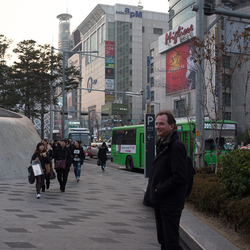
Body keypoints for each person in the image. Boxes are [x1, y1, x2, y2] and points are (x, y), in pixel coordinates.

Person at [143, 110, 188, 250]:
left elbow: (180, 177)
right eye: (156, 124)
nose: (157, 127)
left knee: (171, 243)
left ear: (171, 126)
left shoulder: (176, 146)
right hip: (161, 200)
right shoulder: (163, 143)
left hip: (170, 203)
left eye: (161, 124)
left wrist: (159, 188)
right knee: (163, 240)